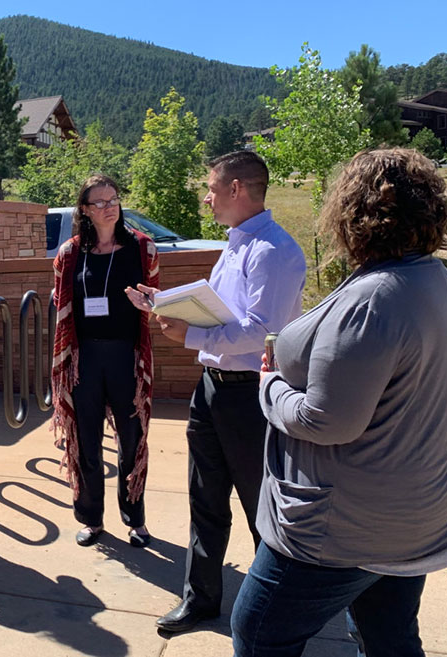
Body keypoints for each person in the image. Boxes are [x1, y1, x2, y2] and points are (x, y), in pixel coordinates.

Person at [231, 148, 447, 657]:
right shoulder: (439, 281)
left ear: (352, 213)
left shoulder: (373, 301)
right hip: (414, 511)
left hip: (345, 526)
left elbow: (325, 421)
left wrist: (270, 385)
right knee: (389, 637)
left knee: (259, 632)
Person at [154, 151, 306, 634]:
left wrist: (190, 335)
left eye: (212, 188)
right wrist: (170, 307)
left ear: (237, 189)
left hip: (250, 398)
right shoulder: (237, 244)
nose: (207, 197)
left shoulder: (274, 251)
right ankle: (201, 600)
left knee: (262, 508)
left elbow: (263, 330)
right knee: (205, 499)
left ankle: (273, 616)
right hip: (212, 389)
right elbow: (223, 313)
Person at [50, 174, 160, 548]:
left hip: (127, 356)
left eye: (113, 199)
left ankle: (135, 519)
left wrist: (149, 303)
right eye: (99, 202)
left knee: (132, 439)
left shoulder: (141, 248)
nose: (109, 207)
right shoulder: (71, 253)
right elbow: (62, 299)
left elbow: (157, 299)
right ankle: (91, 518)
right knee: (86, 440)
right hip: (84, 359)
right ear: (85, 210)